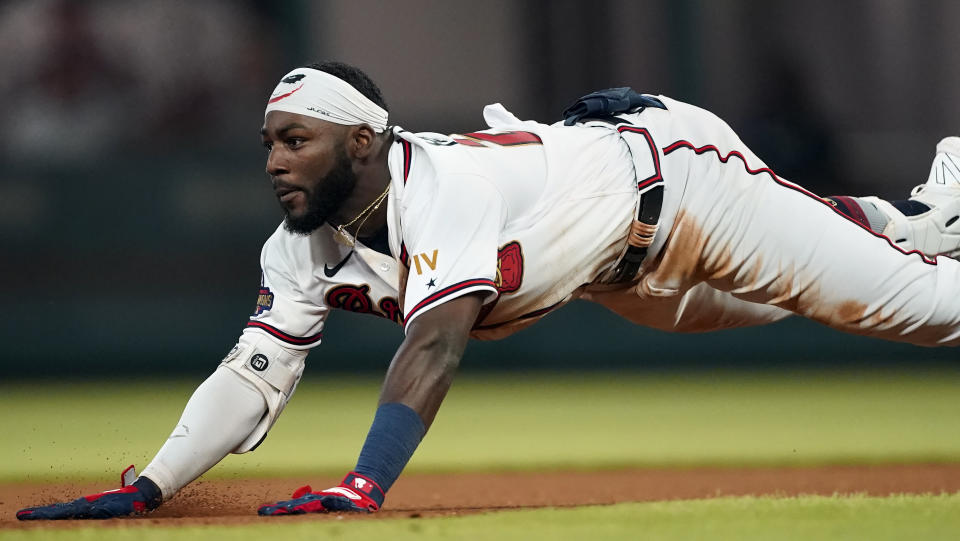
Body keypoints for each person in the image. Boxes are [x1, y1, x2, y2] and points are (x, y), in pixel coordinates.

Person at [17, 61, 960, 520]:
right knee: (814, 281)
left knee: (916, 310)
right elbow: (253, 375)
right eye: (268, 140)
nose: (273, 158)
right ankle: (919, 217)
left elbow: (432, 346)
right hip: (619, 275)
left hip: (682, 181)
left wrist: (363, 486)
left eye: (295, 138)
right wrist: (149, 485)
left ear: (363, 143)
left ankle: (911, 235)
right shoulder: (298, 248)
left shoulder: (444, 191)